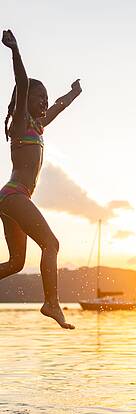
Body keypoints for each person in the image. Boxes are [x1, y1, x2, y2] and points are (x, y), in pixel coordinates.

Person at [1, 29, 82, 329]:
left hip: (11, 200)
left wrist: (73, 94)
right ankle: (51, 302)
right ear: (25, 101)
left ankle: (51, 303)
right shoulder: (21, 121)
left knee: (16, 263)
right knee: (52, 244)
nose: (45, 101)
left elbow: (58, 106)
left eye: (46, 98)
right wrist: (15, 51)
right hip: (14, 196)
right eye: (40, 97)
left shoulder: (38, 126)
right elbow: (22, 83)